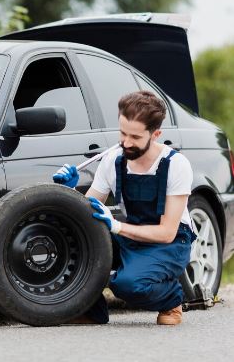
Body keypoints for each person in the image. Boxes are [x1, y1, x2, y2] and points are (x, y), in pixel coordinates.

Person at [53, 90, 195, 325]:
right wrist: (68, 192)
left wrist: (117, 226)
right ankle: (90, 310)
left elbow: (167, 232)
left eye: (136, 137)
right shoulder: (112, 160)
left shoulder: (176, 165)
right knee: (74, 239)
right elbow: (87, 212)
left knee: (128, 285)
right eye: (122, 134)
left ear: (155, 134)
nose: (126, 143)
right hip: (129, 234)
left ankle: (172, 298)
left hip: (169, 243)